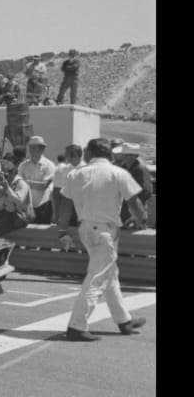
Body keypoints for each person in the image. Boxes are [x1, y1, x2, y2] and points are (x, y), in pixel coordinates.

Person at [54, 138, 149, 342]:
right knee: (97, 278)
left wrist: (62, 230)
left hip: (85, 229)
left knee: (110, 276)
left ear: (90, 153)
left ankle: (124, 320)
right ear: (110, 154)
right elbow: (135, 203)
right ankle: (76, 326)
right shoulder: (119, 173)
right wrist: (141, 221)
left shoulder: (75, 174)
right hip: (105, 231)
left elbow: (65, 206)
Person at [112, 143, 152, 227]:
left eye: (125, 155)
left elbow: (146, 192)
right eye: (122, 154)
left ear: (133, 156)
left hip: (135, 212)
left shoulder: (140, 169)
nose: (122, 157)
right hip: (124, 210)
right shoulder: (124, 166)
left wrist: (135, 213)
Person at [18, 135, 56, 224]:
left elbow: (44, 186)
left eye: (34, 147)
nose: (31, 150)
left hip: (43, 205)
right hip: (27, 206)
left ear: (42, 149)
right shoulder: (23, 165)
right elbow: (19, 185)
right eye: (30, 147)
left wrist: (26, 183)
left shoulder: (49, 165)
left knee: (43, 234)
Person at [51, 143, 84, 227]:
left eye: (67, 154)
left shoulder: (86, 169)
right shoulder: (65, 169)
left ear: (75, 155)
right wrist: (57, 213)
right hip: (68, 208)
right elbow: (59, 192)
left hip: (82, 208)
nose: (65, 156)